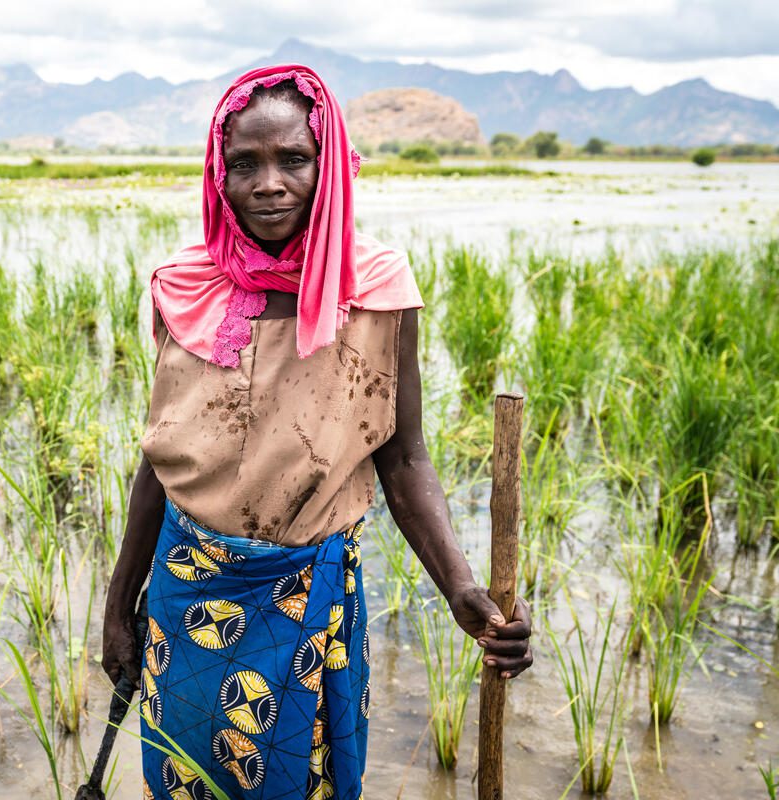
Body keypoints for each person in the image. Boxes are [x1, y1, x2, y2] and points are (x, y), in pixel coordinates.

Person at [102, 64, 533, 799]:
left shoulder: (376, 290)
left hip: (307, 596)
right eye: (245, 164)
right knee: (186, 777)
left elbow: (402, 459)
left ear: (329, 164)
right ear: (218, 171)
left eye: (294, 160)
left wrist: (461, 588)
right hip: (187, 590)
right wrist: (118, 605)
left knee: (309, 780)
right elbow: (161, 460)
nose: (268, 182)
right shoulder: (183, 286)